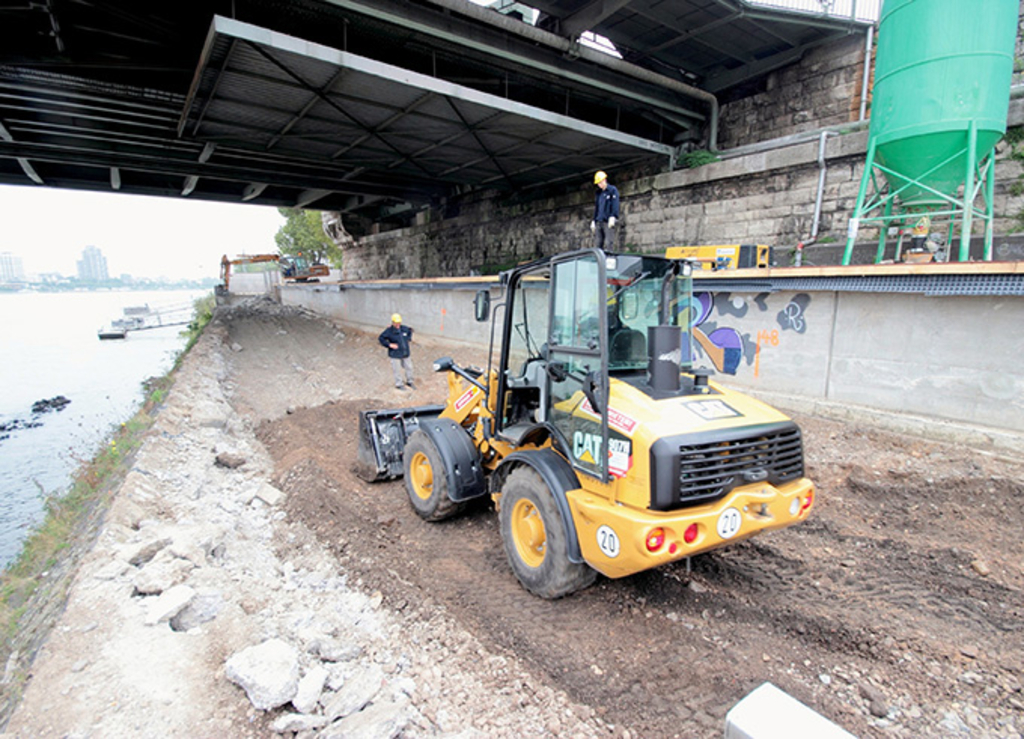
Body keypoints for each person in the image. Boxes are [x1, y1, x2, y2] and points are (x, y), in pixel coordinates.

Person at [378, 313, 415, 390]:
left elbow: (410, 330)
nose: (398, 324)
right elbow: (381, 338)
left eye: (399, 323)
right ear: (393, 322)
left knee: (409, 367)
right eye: (396, 323)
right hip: (395, 354)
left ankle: (410, 381)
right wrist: (389, 345)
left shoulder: (404, 328)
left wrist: (408, 338)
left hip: (405, 353)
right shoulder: (389, 331)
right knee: (397, 370)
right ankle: (399, 384)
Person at [590, 170, 620, 249]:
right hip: (599, 221)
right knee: (598, 243)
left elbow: (615, 204)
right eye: (598, 183)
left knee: (608, 243)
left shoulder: (612, 190)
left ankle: (609, 259)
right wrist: (594, 220)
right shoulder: (598, 193)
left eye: (600, 182)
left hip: (608, 221)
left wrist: (613, 216)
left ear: (604, 180)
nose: (599, 184)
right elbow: (597, 207)